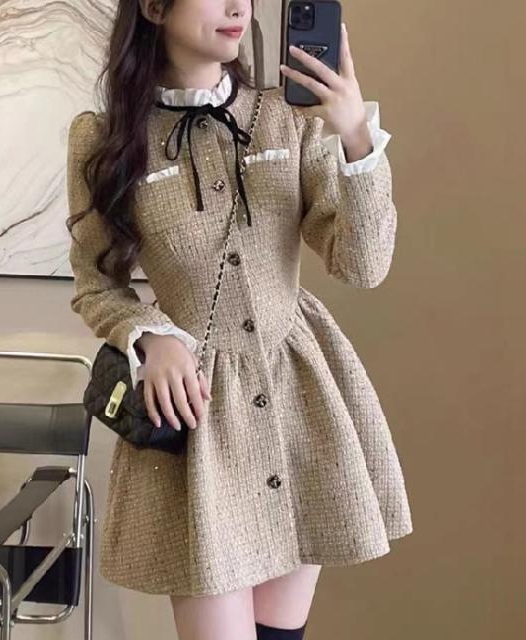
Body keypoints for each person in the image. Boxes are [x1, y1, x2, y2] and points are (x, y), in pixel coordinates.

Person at [66, 1, 413, 638]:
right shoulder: (105, 137)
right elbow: (96, 284)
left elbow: (363, 265)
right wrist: (153, 337)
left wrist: (355, 137)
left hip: (298, 404)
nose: (237, 6)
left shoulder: (288, 117)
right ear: (154, 7)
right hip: (201, 422)